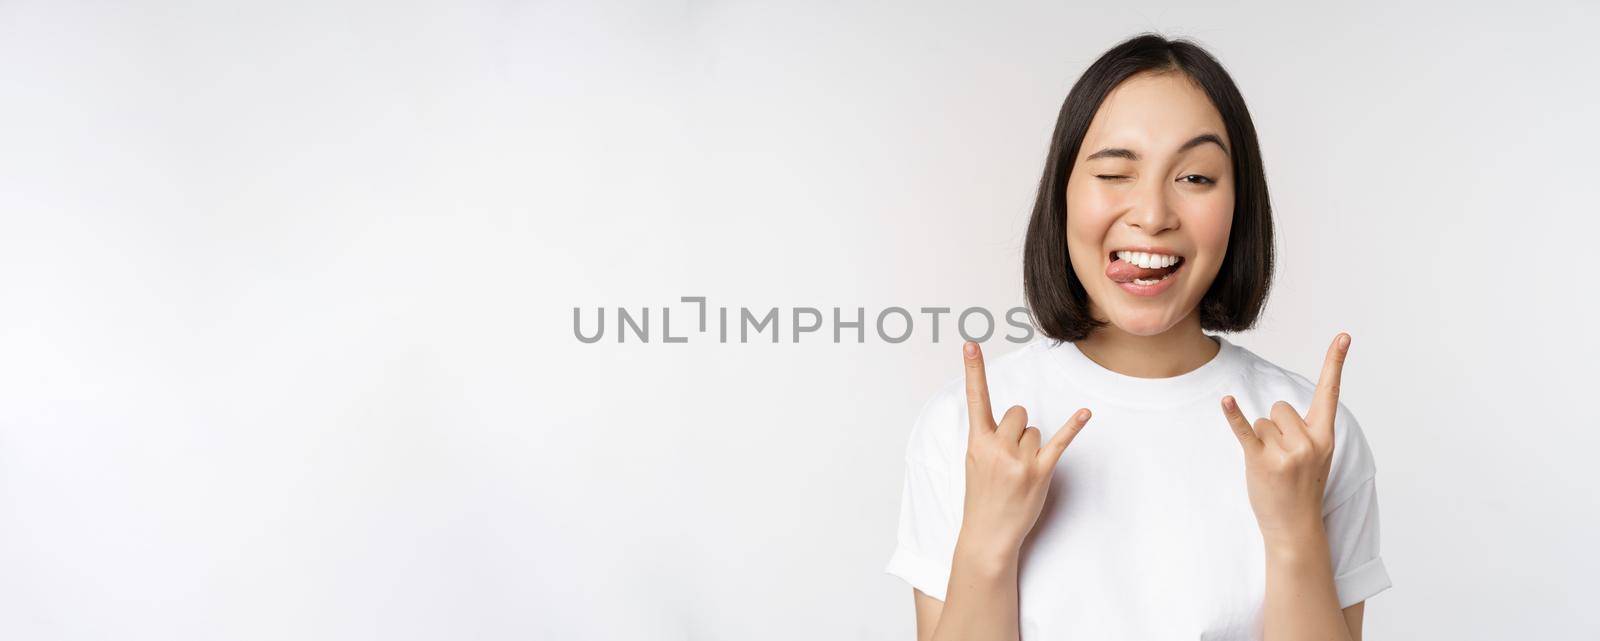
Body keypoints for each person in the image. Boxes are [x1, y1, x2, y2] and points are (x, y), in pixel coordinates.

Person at [883, 33, 1392, 641]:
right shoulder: (967, 431)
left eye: (1196, 177)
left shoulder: (1308, 438)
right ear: (1063, 195)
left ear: (1240, 204)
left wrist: (1294, 536)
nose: (1152, 214)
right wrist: (988, 546)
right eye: (1115, 173)